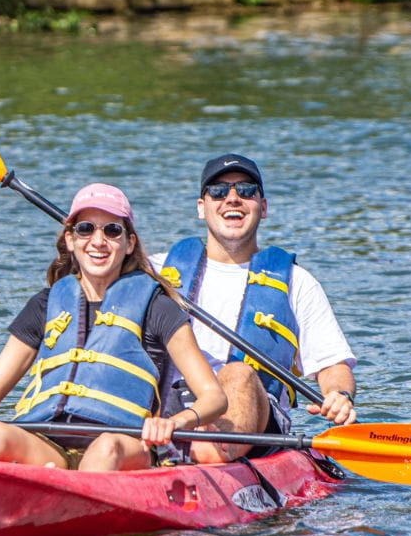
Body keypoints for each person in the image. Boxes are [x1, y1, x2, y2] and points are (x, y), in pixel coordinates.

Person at [0, 183, 227, 472]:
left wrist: (175, 423)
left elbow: (213, 396)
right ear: (70, 239)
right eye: (85, 229)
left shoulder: (157, 306)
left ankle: (82, 511)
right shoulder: (45, 304)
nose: (98, 241)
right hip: (47, 442)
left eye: (112, 230)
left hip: (124, 444)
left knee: (105, 447)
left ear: (129, 243)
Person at [151, 154, 357, 464]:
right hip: (167, 406)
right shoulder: (154, 271)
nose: (232, 199)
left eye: (246, 190)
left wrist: (339, 396)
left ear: (263, 208)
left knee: (238, 373)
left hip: (253, 417)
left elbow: (332, 366)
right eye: (218, 191)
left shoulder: (298, 283)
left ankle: (202, 459)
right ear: (201, 206)